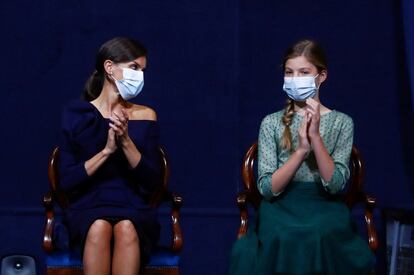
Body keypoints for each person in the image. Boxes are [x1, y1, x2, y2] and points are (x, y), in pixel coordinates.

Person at [229, 39, 374, 275]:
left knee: (320, 234)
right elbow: (266, 188)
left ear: (321, 76)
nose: (295, 79)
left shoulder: (342, 122)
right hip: (282, 204)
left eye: (304, 72)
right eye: (289, 72)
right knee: (283, 235)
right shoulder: (271, 122)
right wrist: (300, 151)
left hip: (324, 204)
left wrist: (316, 138)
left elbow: (335, 185)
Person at [58, 37, 162, 275]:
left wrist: (125, 141)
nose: (140, 76)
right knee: (99, 227)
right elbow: (67, 180)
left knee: (126, 227)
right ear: (109, 67)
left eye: (143, 70)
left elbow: (152, 181)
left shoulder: (146, 115)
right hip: (89, 203)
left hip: (132, 204)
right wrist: (107, 151)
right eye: (134, 67)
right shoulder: (77, 115)